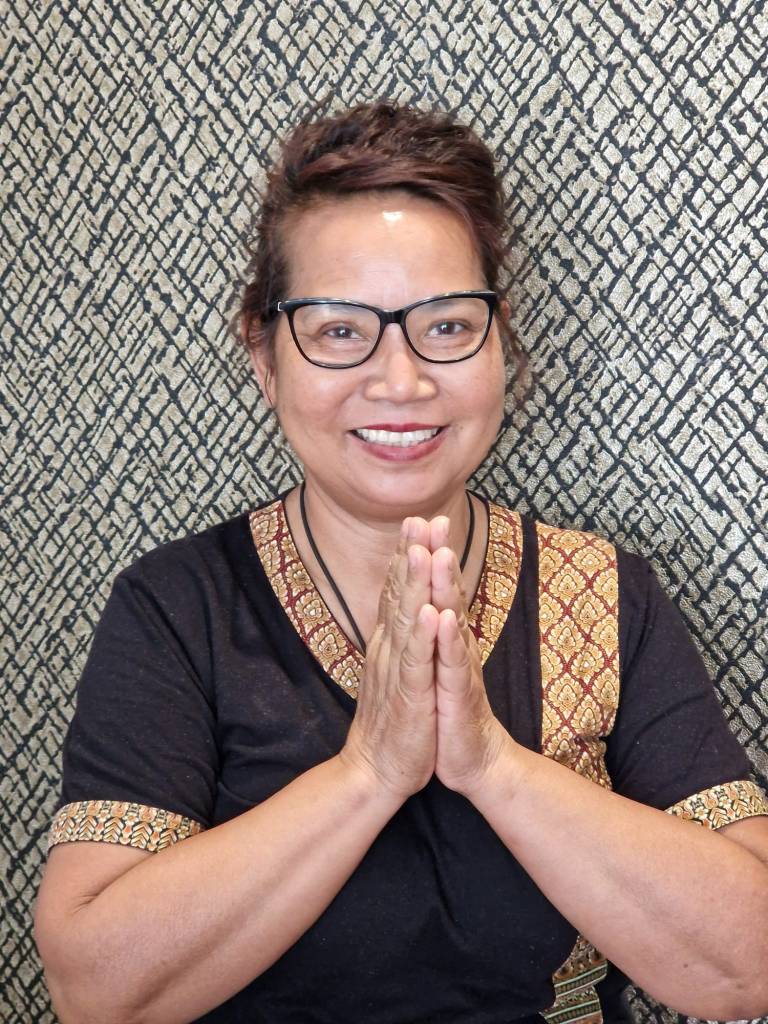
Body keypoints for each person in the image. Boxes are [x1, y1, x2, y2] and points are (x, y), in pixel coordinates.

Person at [35, 100, 768, 1024]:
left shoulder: (606, 593)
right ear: (264, 354)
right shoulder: (179, 607)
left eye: (448, 326)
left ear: (501, 343)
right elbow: (98, 993)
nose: (401, 380)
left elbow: (747, 968)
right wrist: (368, 773)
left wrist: (493, 766)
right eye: (341, 330)